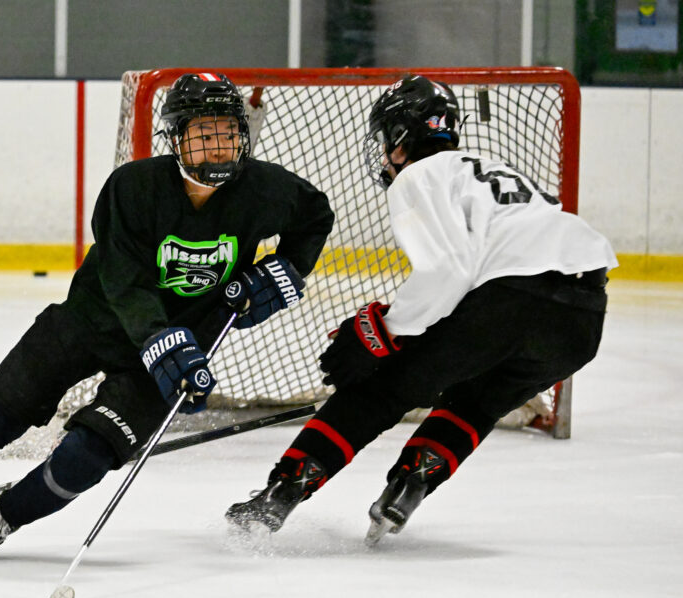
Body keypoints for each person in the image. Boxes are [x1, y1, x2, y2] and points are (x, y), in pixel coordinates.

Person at [0, 72, 335, 557]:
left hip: (175, 349)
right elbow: (126, 281)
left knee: (89, 453)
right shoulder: (133, 187)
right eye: (204, 134)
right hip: (90, 323)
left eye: (229, 133)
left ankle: (3, 517)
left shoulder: (265, 189)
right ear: (176, 138)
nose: (218, 147)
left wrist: (284, 270)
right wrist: (159, 337)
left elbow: (316, 214)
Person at [225, 75, 618, 546]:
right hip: (582, 320)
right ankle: (411, 483)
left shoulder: (419, 175)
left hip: (510, 300)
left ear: (400, 137)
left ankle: (281, 493)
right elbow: (468, 276)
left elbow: (447, 271)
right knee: (477, 401)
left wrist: (380, 333)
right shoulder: (490, 167)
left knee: (378, 388)